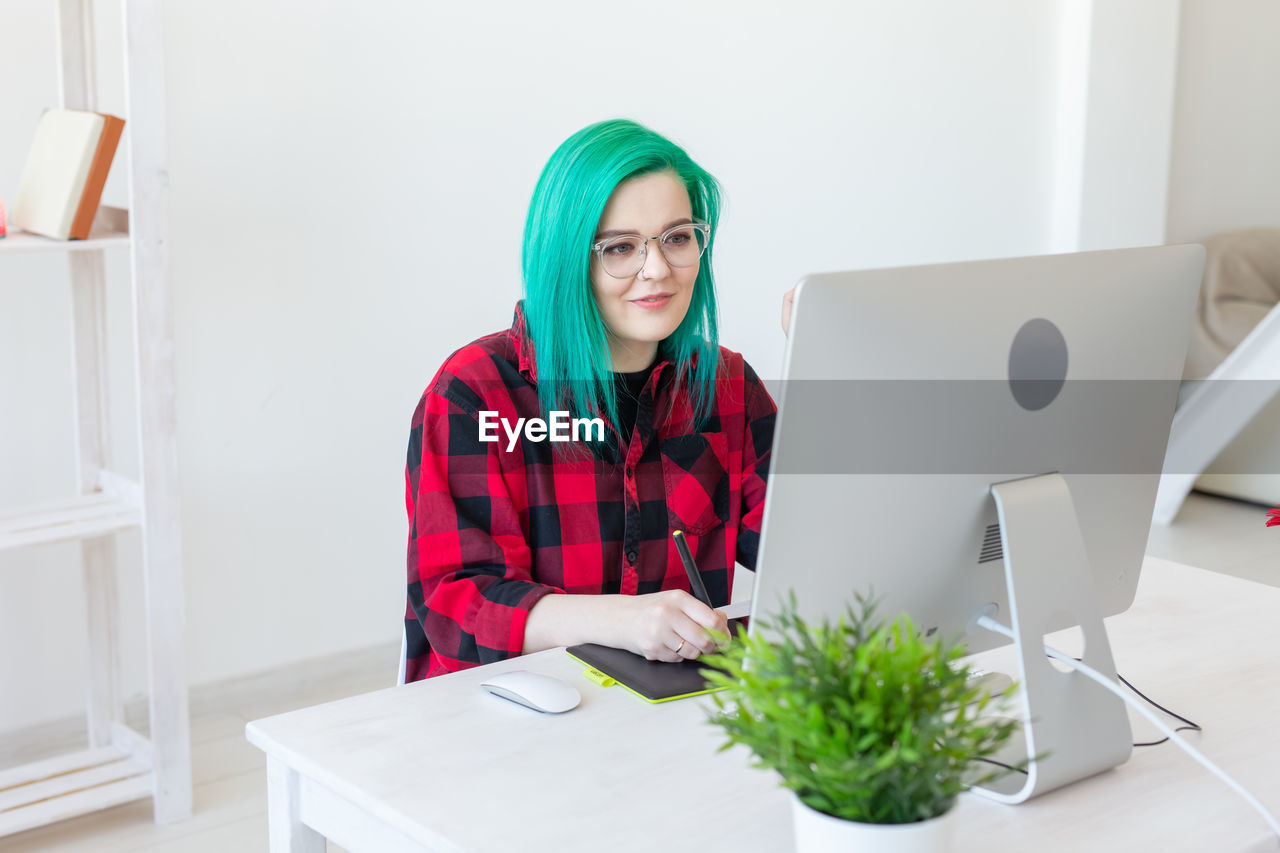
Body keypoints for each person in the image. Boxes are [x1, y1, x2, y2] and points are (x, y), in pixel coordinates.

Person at [403, 119, 779, 681]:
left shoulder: (725, 383)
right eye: (620, 248)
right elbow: (456, 605)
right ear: (566, 259)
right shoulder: (475, 391)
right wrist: (622, 620)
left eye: (677, 237)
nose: (657, 271)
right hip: (508, 719)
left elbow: (806, 547)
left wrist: (833, 361)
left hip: (673, 714)